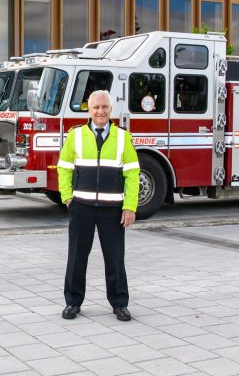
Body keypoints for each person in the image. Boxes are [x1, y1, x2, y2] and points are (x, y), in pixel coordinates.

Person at [57, 89, 140, 321]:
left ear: (110, 109)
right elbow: (64, 167)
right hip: (81, 207)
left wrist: (130, 206)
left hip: (112, 210)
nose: (100, 111)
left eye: (104, 107)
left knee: (115, 258)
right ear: (89, 110)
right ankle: (72, 303)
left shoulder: (123, 137)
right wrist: (67, 197)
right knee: (76, 257)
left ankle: (119, 303)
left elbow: (133, 175)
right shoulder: (75, 136)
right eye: (96, 107)